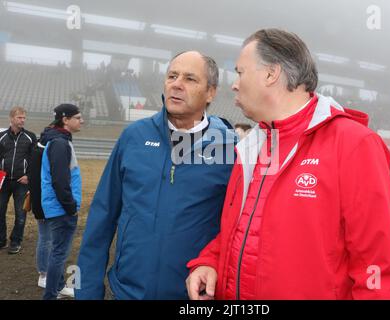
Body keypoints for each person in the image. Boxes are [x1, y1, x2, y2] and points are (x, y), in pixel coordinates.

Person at [186, 29, 390, 300]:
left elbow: (378, 272)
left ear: (270, 74)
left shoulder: (354, 144)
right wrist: (210, 262)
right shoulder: (251, 146)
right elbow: (240, 230)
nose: (234, 84)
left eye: (240, 72)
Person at [76, 51, 237, 300]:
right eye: (172, 75)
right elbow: (102, 216)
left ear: (211, 92)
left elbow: (236, 228)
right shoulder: (134, 137)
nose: (176, 84)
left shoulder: (229, 148)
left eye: (190, 79)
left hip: (194, 296)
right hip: (128, 291)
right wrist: (86, 291)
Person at [40, 103, 84, 299]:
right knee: (59, 254)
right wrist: (71, 206)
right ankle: (50, 295)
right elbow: (60, 180)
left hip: (57, 207)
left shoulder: (59, 140)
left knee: (57, 252)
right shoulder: (59, 143)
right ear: (65, 120)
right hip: (61, 209)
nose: (81, 121)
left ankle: (56, 289)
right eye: (78, 117)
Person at [0, 106, 36, 254]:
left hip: (22, 182)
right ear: (11, 118)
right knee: (0, 211)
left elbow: (34, 159)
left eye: (24, 117)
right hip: (3, 180)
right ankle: (1, 240)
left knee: (20, 214)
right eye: (19, 117)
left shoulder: (30, 137)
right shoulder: (1, 136)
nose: (22, 120)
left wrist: (29, 176)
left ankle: (16, 241)